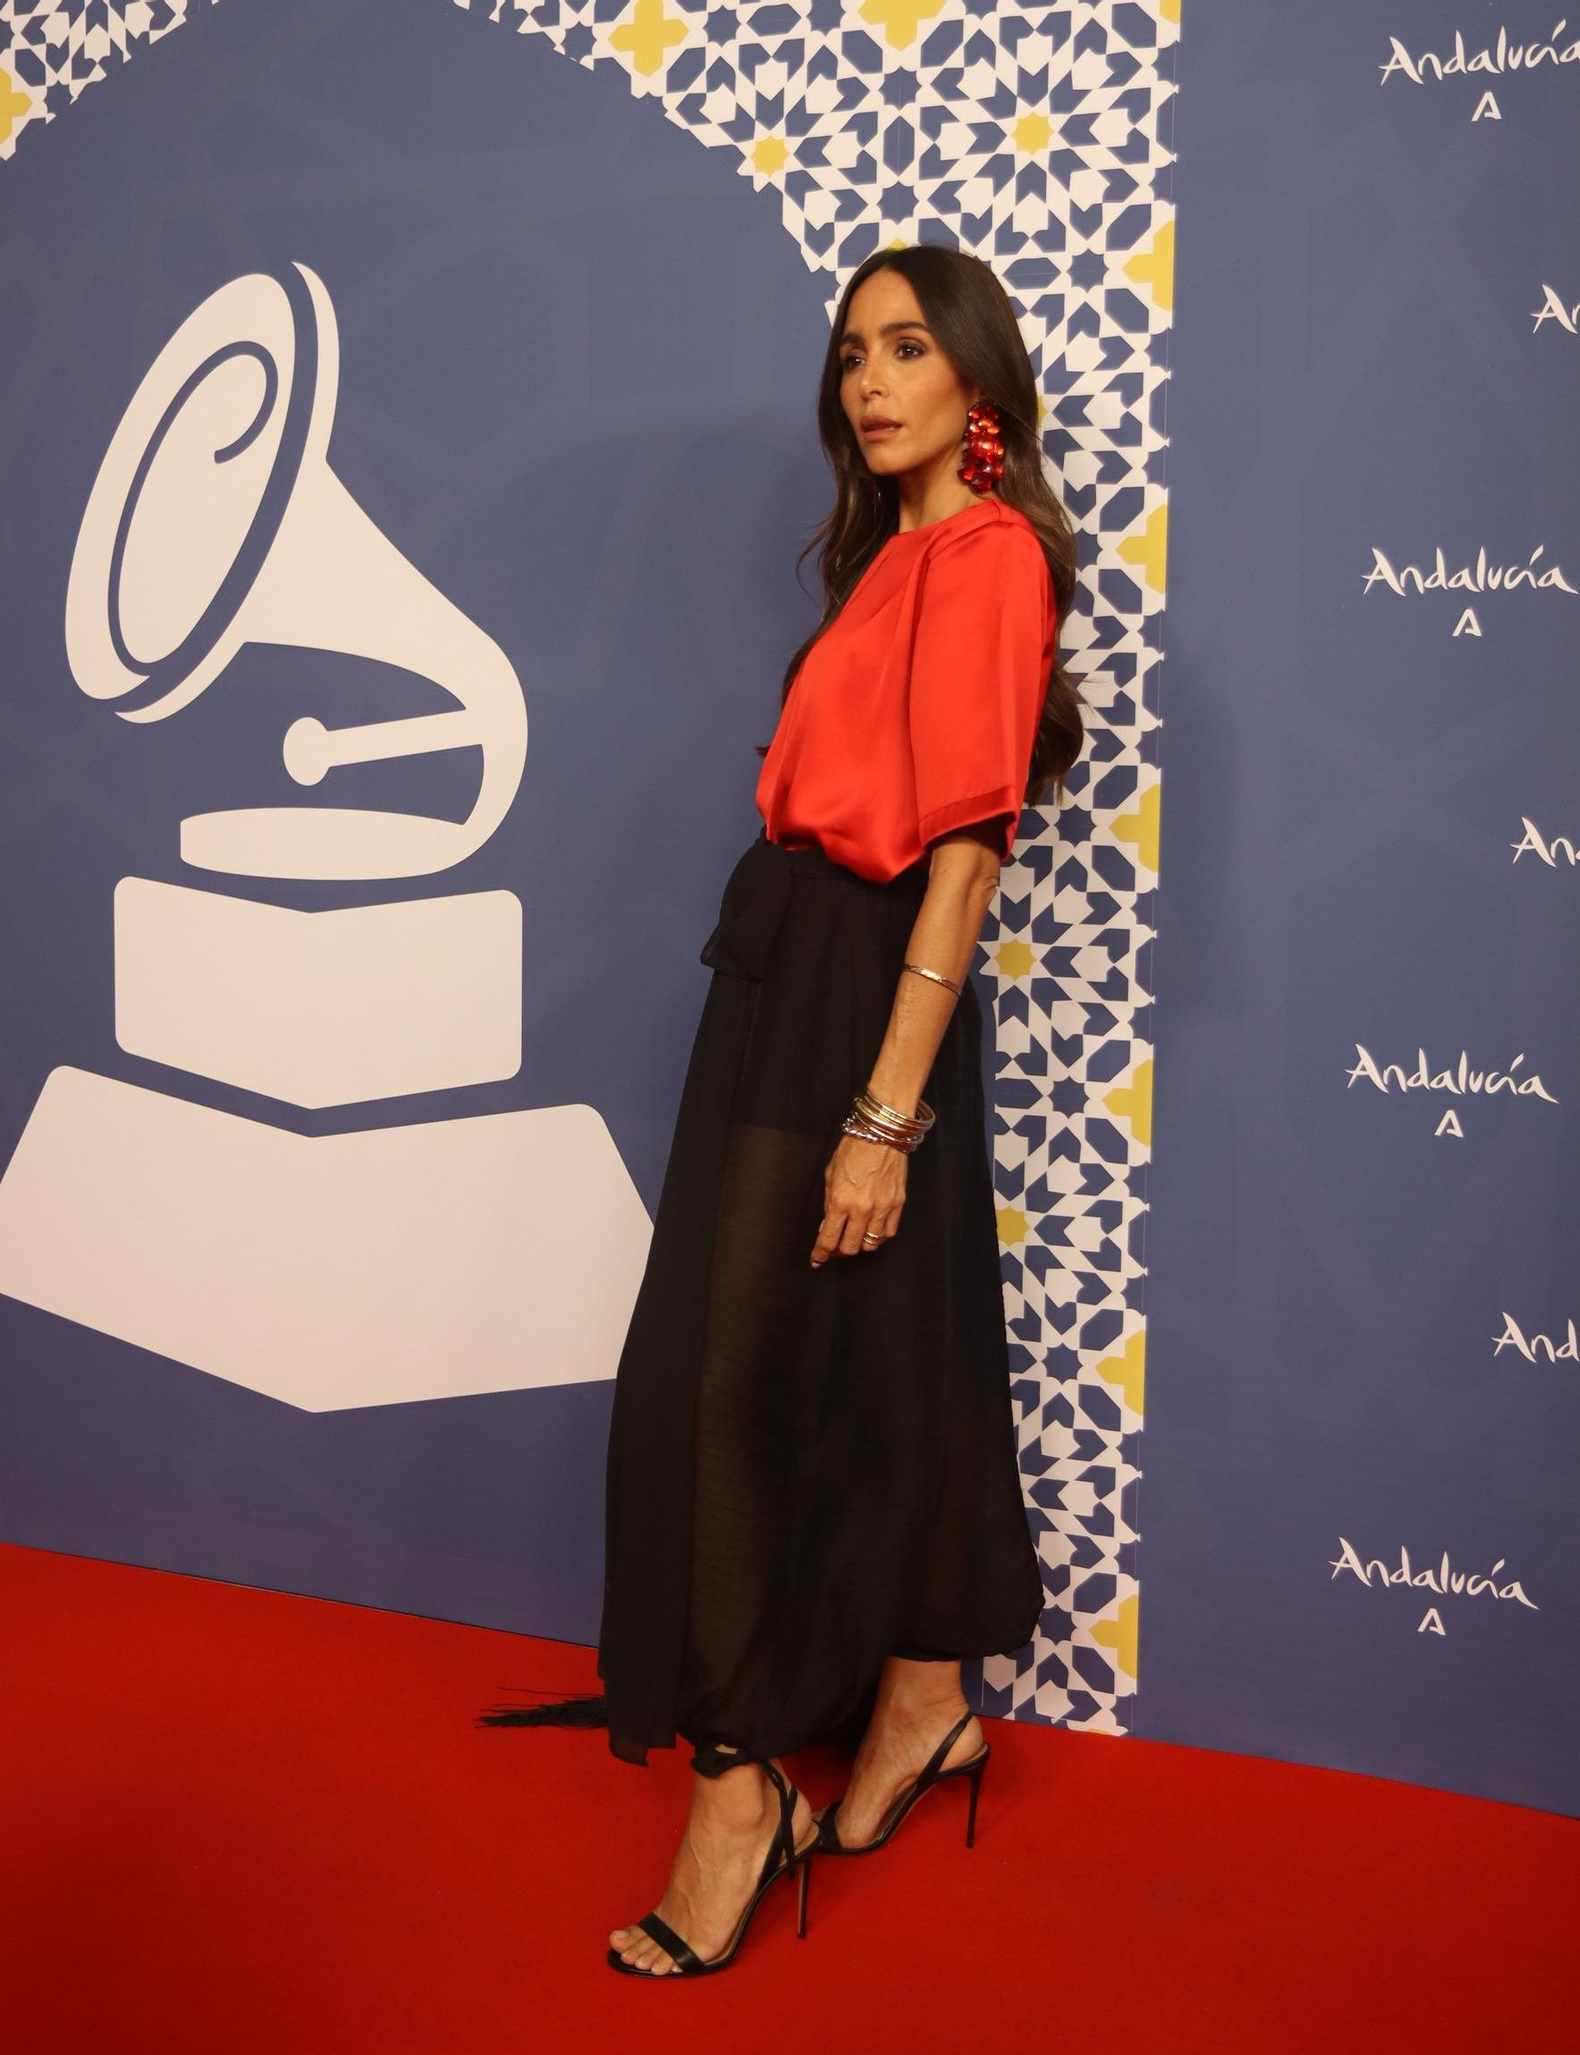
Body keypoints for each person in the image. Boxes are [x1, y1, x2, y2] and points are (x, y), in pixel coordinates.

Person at [480, 242, 1083, 1978]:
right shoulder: (887, 559)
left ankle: (740, 1788)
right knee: (890, 1349)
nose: (870, 383)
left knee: (727, 1379)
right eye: (850, 357)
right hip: (788, 967)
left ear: (977, 378)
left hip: (862, 990)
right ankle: (919, 1697)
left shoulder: (985, 559)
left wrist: (886, 1116)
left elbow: (965, 853)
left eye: (907, 349)